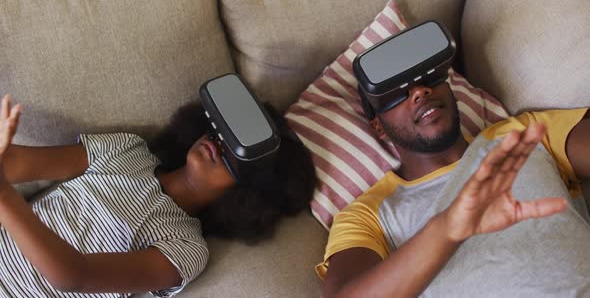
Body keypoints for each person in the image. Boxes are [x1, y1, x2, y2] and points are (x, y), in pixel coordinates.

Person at [0, 94, 316, 297]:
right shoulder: (125, 149)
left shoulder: (186, 247)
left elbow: (72, 276)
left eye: (237, 152)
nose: (219, 141)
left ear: (253, 192)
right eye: (224, 129)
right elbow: (12, 164)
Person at [318, 78, 590, 297]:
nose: (419, 91)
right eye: (396, 92)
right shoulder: (367, 214)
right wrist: (448, 227)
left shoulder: (520, 133)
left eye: (428, 77)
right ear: (379, 127)